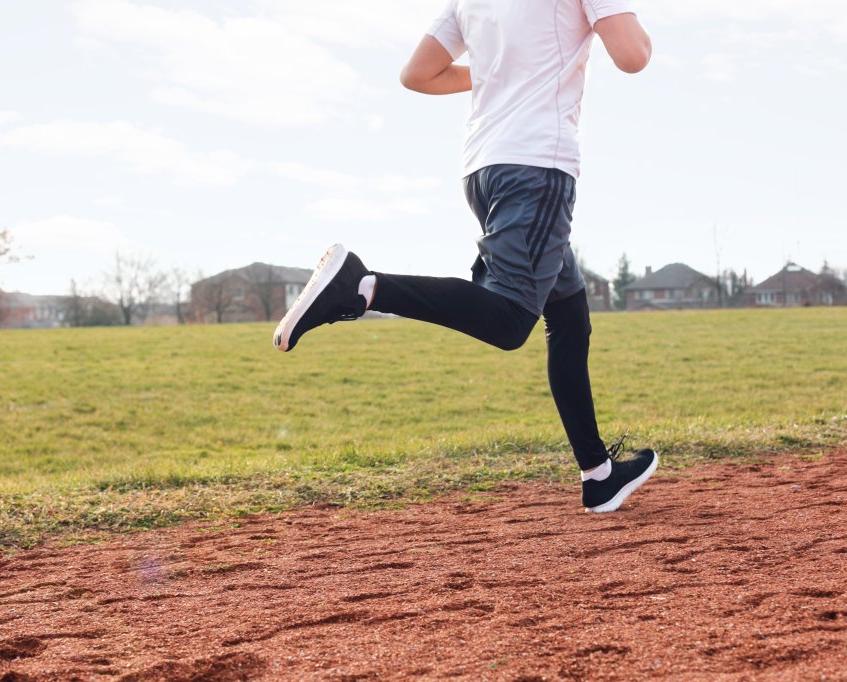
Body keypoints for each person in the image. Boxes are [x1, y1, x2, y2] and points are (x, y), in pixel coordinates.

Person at [273, 0, 656, 513]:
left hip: (484, 170)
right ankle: (364, 286)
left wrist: (507, 74)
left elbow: (417, 74)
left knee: (569, 317)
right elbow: (633, 55)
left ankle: (599, 474)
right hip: (538, 165)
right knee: (509, 320)